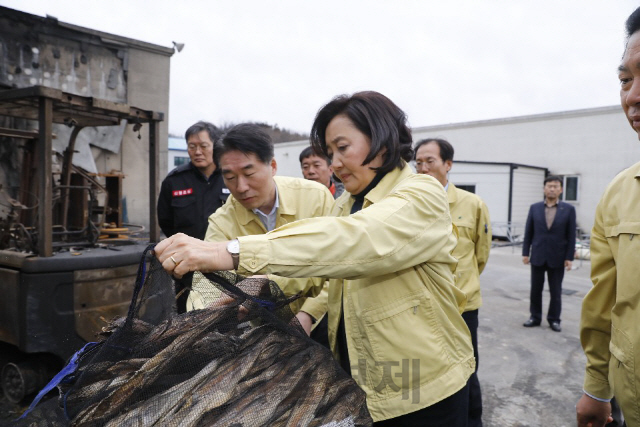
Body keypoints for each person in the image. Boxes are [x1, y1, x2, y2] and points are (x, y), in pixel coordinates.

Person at [155, 91, 475, 426]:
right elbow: (321, 271)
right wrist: (260, 286)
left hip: (422, 386)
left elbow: (352, 242)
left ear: (382, 140)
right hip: (366, 379)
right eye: (330, 152)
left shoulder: (422, 194)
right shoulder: (346, 202)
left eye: (343, 148)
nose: (334, 163)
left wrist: (231, 252)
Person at [190, 123, 334, 323]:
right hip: (261, 327)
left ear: (273, 166)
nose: (241, 187)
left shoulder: (315, 198)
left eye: (249, 174)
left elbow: (335, 265)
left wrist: (308, 314)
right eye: (230, 177)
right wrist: (204, 313)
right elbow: (206, 284)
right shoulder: (222, 221)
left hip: (321, 320)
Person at [576, 7, 640, 426]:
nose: (632, 96)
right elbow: (604, 302)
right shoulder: (618, 194)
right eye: (625, 80)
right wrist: (596, 387)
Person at [414, 138, 491, 427]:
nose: (423, 168)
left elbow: (480, 254)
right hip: (424, 307)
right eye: (418, 163)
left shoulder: (472, 204)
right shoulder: (410, 204)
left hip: (463, 307)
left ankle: (473, 421)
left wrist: (464, 284)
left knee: (468, 370)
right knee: (431, 372)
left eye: (430, 161)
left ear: (448, 164)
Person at [521, 175, 576, 332]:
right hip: (538, 255)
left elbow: (571, 235)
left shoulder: (569, 210)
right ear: (544, 189)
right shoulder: (535, 208)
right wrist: (525, 252)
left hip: (557, 257)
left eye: (555, 186)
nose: (552, 189)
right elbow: (528, 232)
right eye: (549, 186)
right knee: (535, 289)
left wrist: (569, 257)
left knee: (556, 291)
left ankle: (554, 319)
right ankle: (535, 317)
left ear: (561, 190)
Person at [157, 121, 229, 239]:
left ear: (216, 146)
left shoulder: (229, 177)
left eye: (203, 146)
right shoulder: (174, 181)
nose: (197, 152)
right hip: (187, 252)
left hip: (223, 251)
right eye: (192, 147)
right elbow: (165, 221)